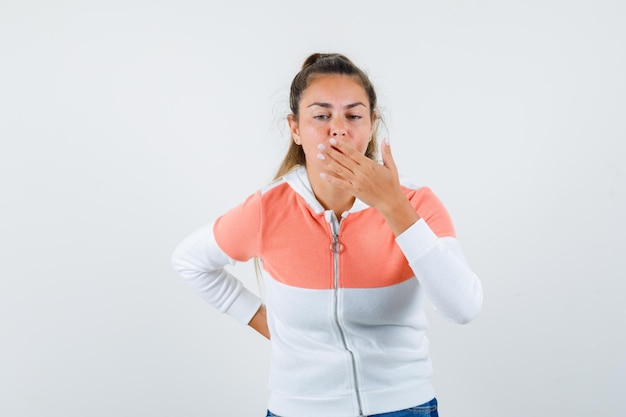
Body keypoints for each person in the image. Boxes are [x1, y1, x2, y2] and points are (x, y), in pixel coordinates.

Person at [171, 53, 483, 417]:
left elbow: (464, 308)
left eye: (353, 115)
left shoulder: (416, 203)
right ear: (295, 129)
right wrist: (269, 325)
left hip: (403, 407)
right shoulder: (268, 209)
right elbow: (189, 261)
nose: (338, 128)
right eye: (321, 116)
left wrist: (394, 208)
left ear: (371, 125)